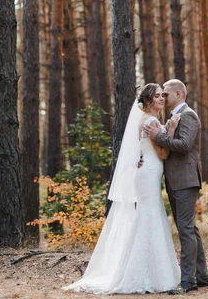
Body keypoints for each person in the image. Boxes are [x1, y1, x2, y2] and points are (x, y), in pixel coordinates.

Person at [63, 83, 181, 294]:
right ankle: (146, 273)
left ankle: (147, 269)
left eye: (163, 95)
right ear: (147, 101)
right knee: (150, 215)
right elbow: (163, 154)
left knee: (146, 216)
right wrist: (171, 128)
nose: (162, 99)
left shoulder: (147, 119)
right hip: (149, 173)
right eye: (157, 97)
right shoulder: (151, 121)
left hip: (147, 171)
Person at [144, 79, 208, 294]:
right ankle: (201, 277)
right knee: (189, 229)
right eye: (160, 94)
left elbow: (183, 145)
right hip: (176, 180)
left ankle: (187, 283)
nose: (163, 97)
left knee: (185, 231)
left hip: (185, 180)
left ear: (179, 94)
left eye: (166, 93)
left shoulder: (188, 115)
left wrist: (158, 137)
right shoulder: (173, 117)